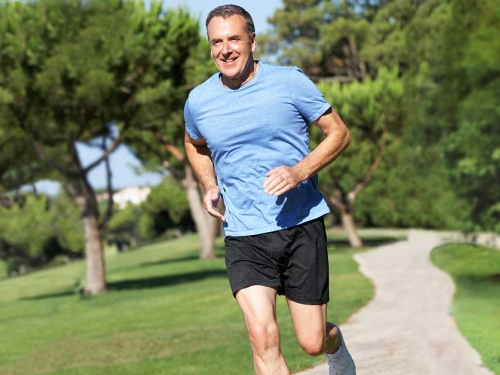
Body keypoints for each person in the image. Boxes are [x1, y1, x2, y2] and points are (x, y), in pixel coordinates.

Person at [184, 4, 355, 375]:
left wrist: (299, 171)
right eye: (217, 42)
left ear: (252, 41)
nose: (225, 49)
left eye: (234, 39)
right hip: (245, 234)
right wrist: (210, 183)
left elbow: (339, 133)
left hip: (300, 225)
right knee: (261, 335)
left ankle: (335, 346)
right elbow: (194, 144)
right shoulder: (198, 101)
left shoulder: (289, 82)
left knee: (311, 342)